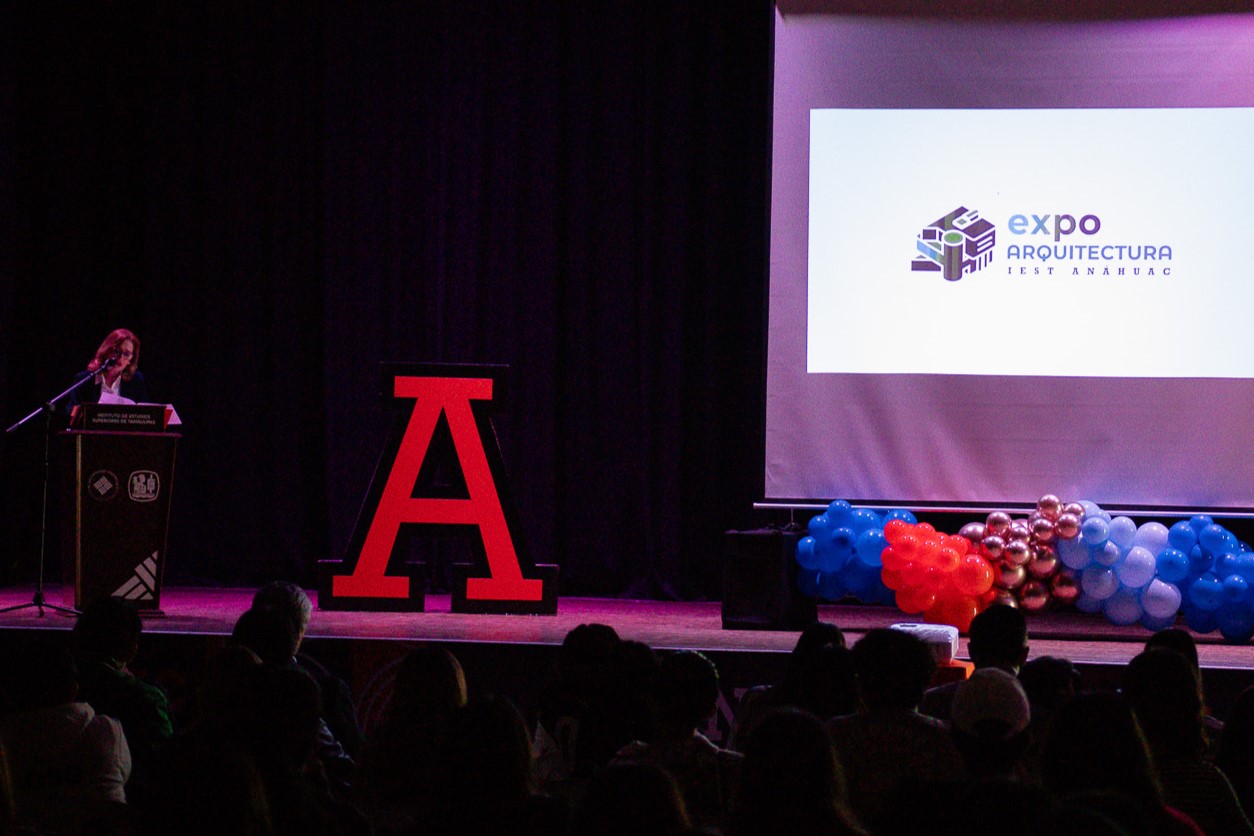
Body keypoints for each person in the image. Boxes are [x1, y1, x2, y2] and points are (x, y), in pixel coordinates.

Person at [67, 328, 149, 411]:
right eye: (116, 351)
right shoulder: (84, 380)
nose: (120, 357)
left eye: (126, 354)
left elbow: (144, 415)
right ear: (106, 350)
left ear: (130, 359)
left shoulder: (136, 381)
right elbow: (70, 412)